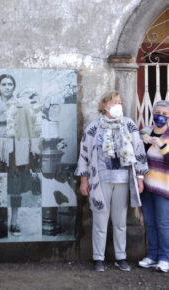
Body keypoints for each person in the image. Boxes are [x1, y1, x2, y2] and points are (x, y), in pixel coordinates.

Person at [75, 91, 148, 272]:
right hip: (100, 181)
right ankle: (98, 258)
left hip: (123, 180)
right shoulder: (94, 127)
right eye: (115, 102)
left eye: (120, 102)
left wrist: (140, 177)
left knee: (120, 221)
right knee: (100, 220)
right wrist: (84, 181)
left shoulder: (129, 125)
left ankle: (121, 257)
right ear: (105, 105)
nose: (118, 105)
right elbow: (84, 154)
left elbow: (139, 151)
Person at [138, 100, 169, 273]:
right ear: (152, 112)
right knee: (149, 222)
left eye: (165, 114)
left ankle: (165, 258)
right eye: (158, 112)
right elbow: (136, 153)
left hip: (163, 187)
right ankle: (152, 255)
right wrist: (143, 139)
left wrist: (161, 145)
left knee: (163, 223)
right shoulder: (145, 130)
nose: (161, 116)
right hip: (145, 186)